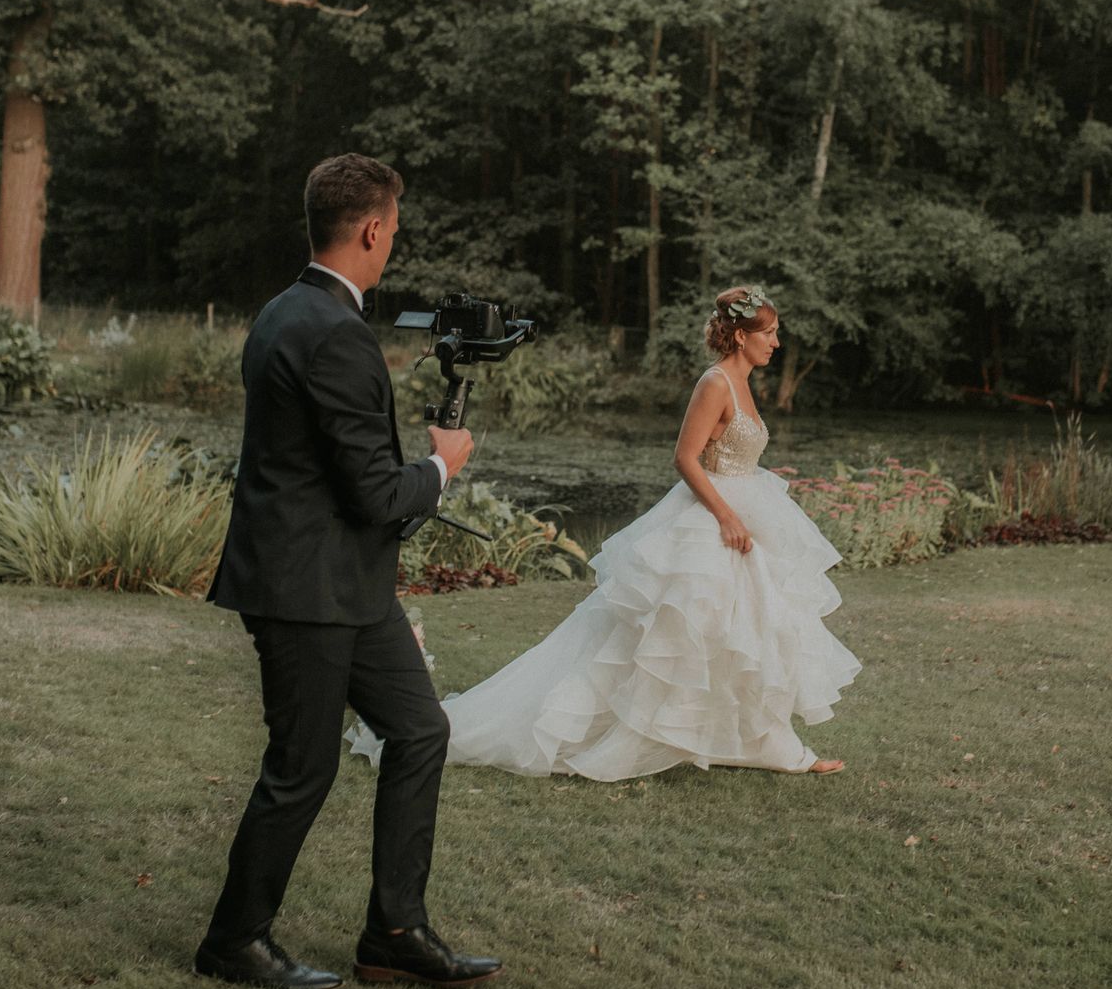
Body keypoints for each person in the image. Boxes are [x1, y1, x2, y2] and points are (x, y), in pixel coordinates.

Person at [194, 153, 503, 989]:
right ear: (371, 230)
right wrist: (442, 465)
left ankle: (395, 933)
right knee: (302, 768)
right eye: (393, 229)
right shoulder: (336, 333)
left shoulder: (283, 311)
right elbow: (373, 493)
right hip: (305, 589)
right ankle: (233, 941)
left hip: (344, 584)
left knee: (420, 730)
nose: (392, 242)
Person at [350, 284, 860, 780]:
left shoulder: (745, 383)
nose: (776, 342)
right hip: (713, 521)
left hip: (746, 515)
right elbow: (685, 457)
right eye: (769, 333)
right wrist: (726, 516)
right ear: (742, 335)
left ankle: (764, 744)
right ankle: (608, 732)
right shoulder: (715, 383)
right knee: (665, 640)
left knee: (746, 636)